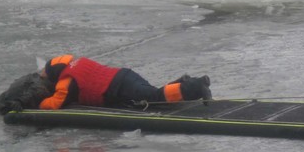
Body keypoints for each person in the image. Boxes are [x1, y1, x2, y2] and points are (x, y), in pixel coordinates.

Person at [38, 54, 212, 110]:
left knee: (154, 97)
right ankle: (182, 82)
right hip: (124, 75)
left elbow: (55, 103)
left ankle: (196, 86)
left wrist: (38, 101)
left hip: (118, 86)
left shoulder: (66, 81)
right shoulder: (79, 62)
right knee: (152, 94)